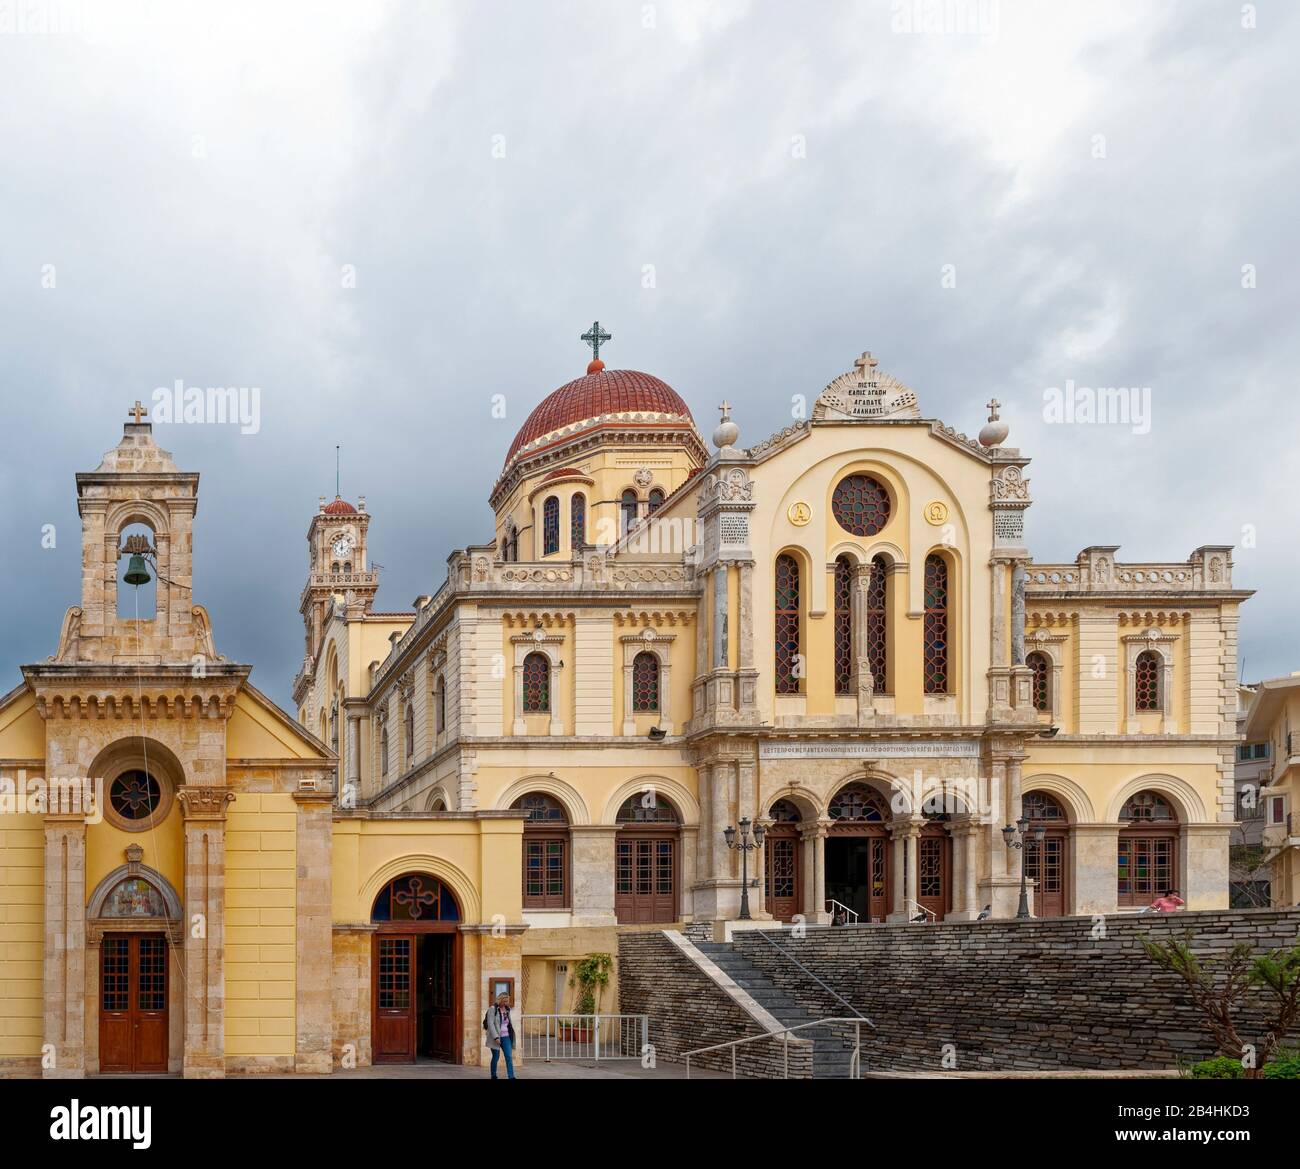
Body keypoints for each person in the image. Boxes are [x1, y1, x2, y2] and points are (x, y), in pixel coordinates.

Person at [483, 992, 517, 1079]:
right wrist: (496, 1037)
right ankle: (493, 1075)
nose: (506, 1003)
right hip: (496, 1037)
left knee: (509, 1056)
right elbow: (490, 1024)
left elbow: (508, 1023)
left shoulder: (507, 1009)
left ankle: (511, 1076)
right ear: (500, 1000)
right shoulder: (493, 1009)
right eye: (504, 1001)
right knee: (496, 1057)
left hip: (506, 1037)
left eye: (507, 1001)